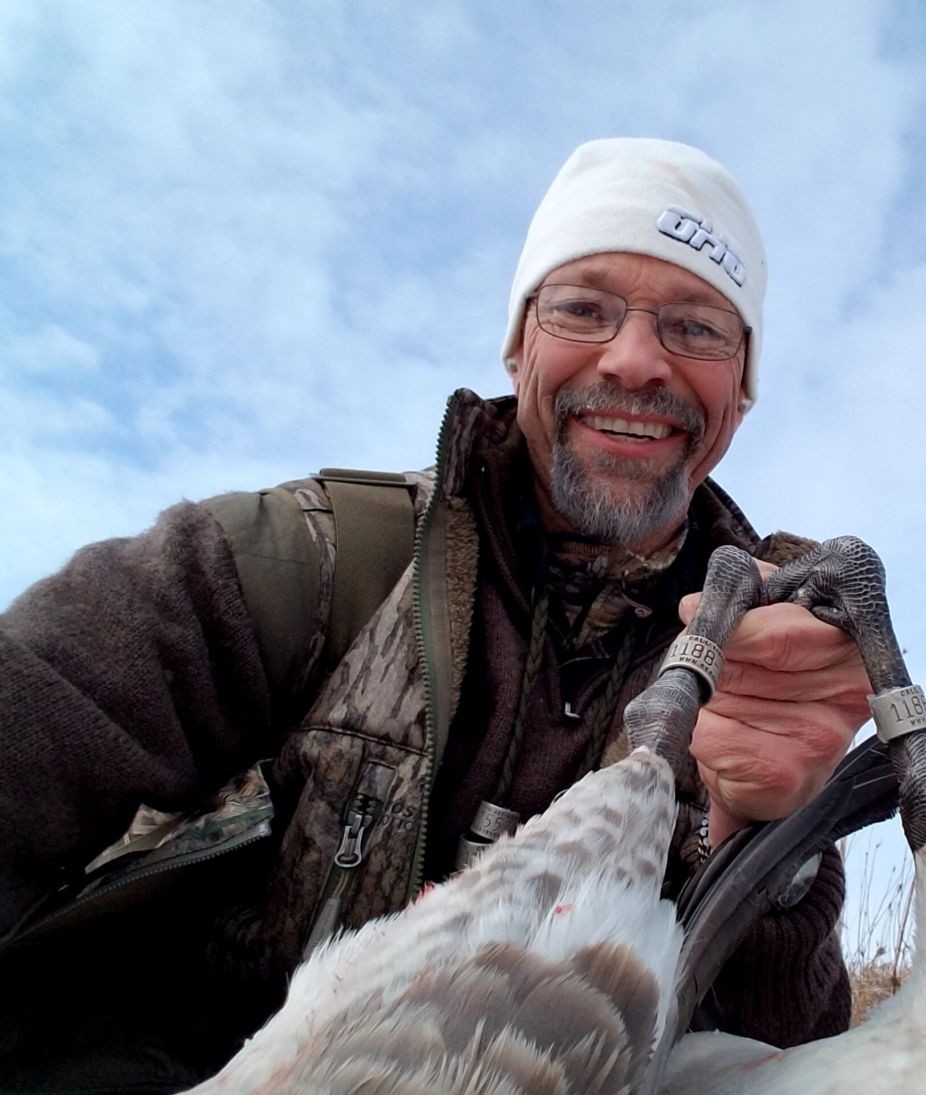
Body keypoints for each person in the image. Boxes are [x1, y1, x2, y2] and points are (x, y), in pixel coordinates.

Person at [0, 137, 872, 1089]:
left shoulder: (772, 662)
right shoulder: (310, 563)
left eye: (698, 327)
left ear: (741, 388)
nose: (634, 361)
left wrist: (776, 840)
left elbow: (785, 1049)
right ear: (519, 342)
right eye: (584, 307)